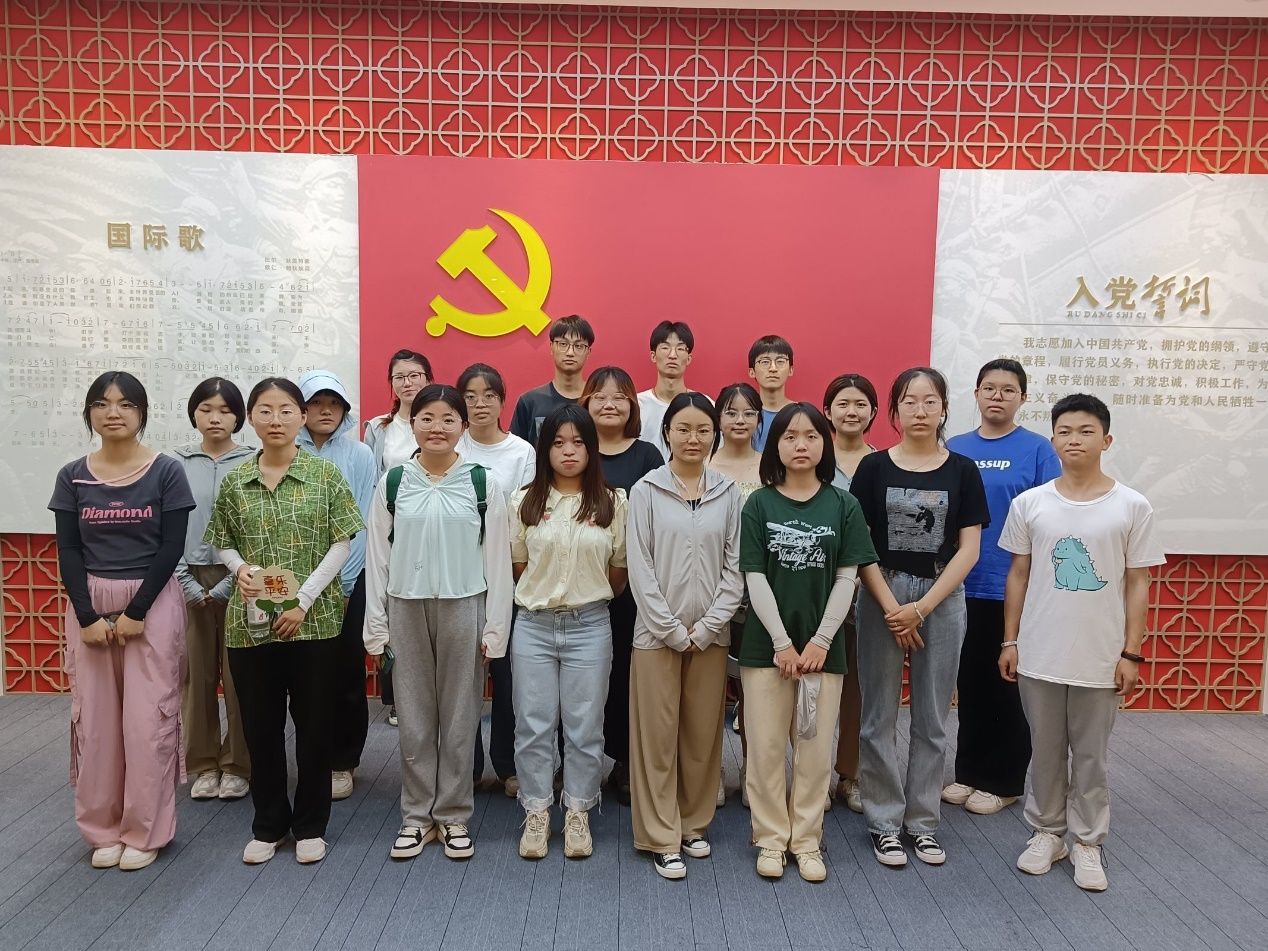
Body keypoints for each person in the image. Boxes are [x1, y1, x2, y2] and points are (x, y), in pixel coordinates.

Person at [1000, 393, 1164, 892]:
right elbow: (1018, 574)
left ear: (1106, 440)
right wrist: (1010, 640)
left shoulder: (1132, 506)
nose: (1074, 439)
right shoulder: (1030, 503)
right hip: (1039, 651)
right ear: (1053, 440)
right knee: (1045, 749)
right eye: (1065, 431)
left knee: (1091, 754)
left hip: (1101, 654)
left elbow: (1138, 582)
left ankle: (1088, 840)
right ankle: (1047, 833)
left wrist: (1131, 651)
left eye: (1086, 431)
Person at [206, 377, 364, 866]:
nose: (276, 420)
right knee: (261, 727)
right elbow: (222, 540)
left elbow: (342, 541)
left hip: (313, 622)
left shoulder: (325, 475)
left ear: (301, 416)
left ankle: (311, 824)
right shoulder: (236, 479)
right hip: (250, 624)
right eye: (265, 410)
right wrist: (240, 569)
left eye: (286, 410)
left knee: (315, 726)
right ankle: (269, 824)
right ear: (251, 418)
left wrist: (304, 599)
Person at [50, 371, 195, 871]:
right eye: (102, 403)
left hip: (151, 602)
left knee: (146, 721)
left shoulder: (166, 471)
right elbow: (69, 550)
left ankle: (145, 829)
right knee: (96, 724)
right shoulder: (72, 475)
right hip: (90, 602)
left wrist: (136, 611)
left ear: (142, 413)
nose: (113, 412)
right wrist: (87, 616)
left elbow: (171, 547)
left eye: (126, 404)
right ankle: (102, 828)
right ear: (89, 412)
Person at [363, 385, 513, 861]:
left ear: (463, 426)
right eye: (427, 418)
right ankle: (416, 816)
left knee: (461, 716)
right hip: (405, 608)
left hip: (464, 607)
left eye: (449, 419)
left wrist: (495, 627)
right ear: (413, 424)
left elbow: (498, 563)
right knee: (413, 718)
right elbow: (377, 557)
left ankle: (452, 814)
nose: (437, 428)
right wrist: (376, 625)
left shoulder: (482, 484)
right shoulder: (393, 483)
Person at [850, 367, 988, 868]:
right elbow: (860, 544)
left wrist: (922, 608)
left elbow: (969, 549)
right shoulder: (873, 468)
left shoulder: (963, 470)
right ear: (894, 411)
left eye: (931, 401)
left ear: (945, 409)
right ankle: (884, 823)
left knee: (932, 717)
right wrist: (893, 608)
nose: (921, 410)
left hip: (942, 596)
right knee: (878, 716)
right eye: (910, 401)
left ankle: (923, 823)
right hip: (883, 592)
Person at [739, 403, 877, 883]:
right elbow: (754, 577)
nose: (801, 445)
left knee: (814, 749)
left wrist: (820, 640)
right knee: (765, 748)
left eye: (811, 436)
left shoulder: (843, 505)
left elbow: (848, 577)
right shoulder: (759, 504)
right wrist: (781, 642)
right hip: (766, 648)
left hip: (824, 650)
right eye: (790, 436)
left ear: (825, 443)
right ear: (774, 445)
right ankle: (770, 838)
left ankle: (807, 840)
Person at [628, 392, 743, 880]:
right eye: (683, 429)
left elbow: (736, 567)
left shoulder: (729, 493)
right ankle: (660, 834)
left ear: (714, 435)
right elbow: (640, 568)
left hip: (712, 636)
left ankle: (694, 824)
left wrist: (710, 625)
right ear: (667, 433)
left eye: (703, 430)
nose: (693, 438)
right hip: (657, 636)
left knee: (701, 736)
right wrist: (673, 630)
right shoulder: (646, 491)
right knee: (656, 738)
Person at [509, 405, 627, 861]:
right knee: (533, 724)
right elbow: (519, 568)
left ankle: (578, 810)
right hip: (534, 627)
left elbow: (618, 573)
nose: (568, 451)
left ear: (592, 449)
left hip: (590, 626)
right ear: (545, 450)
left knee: (584, 726)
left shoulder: (612, 502)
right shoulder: (523, 501)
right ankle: (537, 810)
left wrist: (581, 593)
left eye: (578, 442)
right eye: (558, 443)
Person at [942, 360, 1060, 816]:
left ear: (1022, 398)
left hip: (1011, 584)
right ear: (975, 393)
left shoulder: (1037, 450)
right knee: (969, 683)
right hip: (960, 584)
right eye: (989, 388)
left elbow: (1051, 516)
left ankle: (1005, 781)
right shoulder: (955, 446)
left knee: (1007, 685)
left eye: (1008, 390)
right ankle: (969, 772)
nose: (997, 396)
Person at [581, 366, 663, 804]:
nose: (609, 404)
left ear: (633, 405)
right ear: (586, 403)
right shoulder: (574, 450)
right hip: (578, 586)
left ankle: (627, 762)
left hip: (634, 590)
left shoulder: (648, 456)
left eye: (619, 397)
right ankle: (578, 764)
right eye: (600, 396)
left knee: (629, 677)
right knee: (582, 678)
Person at [455, 363, 535, 799]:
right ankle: (464, 767)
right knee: (461, 677)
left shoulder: (522, 453)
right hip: (458, 573)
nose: (479, 403)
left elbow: (525, 516)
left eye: (488, 395)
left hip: (507, 575)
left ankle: (508, 765)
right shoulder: (451, 445)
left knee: (508, 677)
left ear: (503, 400)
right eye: (470, 396)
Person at [172, 377, 254, 804]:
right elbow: (165, 527)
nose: (215, 418)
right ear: (194, 414)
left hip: (241, 578)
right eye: (206, 409)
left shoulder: (254, 461)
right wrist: (185, 580)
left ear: (239, 417)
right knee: (196, 676)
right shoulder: (175, 464)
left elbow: (258, 528)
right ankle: (203, 763)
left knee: (240, 676)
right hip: (186, 577)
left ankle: (238, 764)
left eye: (225, 410)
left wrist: (228, 582)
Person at [298, 369, 378, 802]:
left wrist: (344, 584)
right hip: (292, 581)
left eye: (334, 404)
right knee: (300, 674)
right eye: (316, 402)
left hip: (347, 580)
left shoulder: (360, 455)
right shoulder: (284, 450)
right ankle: (310, 757)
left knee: (345, 671)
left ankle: (343, 760)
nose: (325, 410)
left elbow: (363, 520)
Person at [364, 348, 433, 726]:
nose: (407, 383)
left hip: (435, 527)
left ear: (428, 379)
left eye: (415, 375)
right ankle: (396, 700)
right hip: (394, 529)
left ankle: (430, 695)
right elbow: (372, 482)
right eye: (399, 377)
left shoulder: (443, 420)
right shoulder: (379, 428)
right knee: (394, 611)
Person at [823, 373, 880, 815]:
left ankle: (851, 774)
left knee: (860, 689)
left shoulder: (884, 464)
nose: (851, 412)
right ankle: (814, 775)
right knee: (817, 686)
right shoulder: (811, 457)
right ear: (827, 411)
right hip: (819, 589)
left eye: (860, 404)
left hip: (871, 589)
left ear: (874, 412)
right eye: (843, 403)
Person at [707, 382, 763, 806]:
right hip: (709, 590)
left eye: (748, 413)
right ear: (718, 419)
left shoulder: (772, 467)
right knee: (708, 688)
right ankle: (710, 772)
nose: (739, 420)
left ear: (759, 419)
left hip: (760, 592)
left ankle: (752, 771)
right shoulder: (702, 465)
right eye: (731, 412)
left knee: (754, 691)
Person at [509, 315, 594, 445]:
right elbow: (516, 451)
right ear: (551, 347)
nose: (570, 352)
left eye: (578, 346)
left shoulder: (598, 401)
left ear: (588, 352)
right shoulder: (530, 402)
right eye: (563, 344)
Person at [636, 320, 694, 460]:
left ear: (689, 358)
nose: (672, 355)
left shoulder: (703, 405)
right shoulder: (636, 405)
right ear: (653, 356)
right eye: (665, 347)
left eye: (680, 348)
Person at [746, 335, 794, 452]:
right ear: (752, 372)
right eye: (765, 362)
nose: (773, 368)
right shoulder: (743, 415)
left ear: (791, 370)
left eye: (780, 361)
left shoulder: (800, 414)